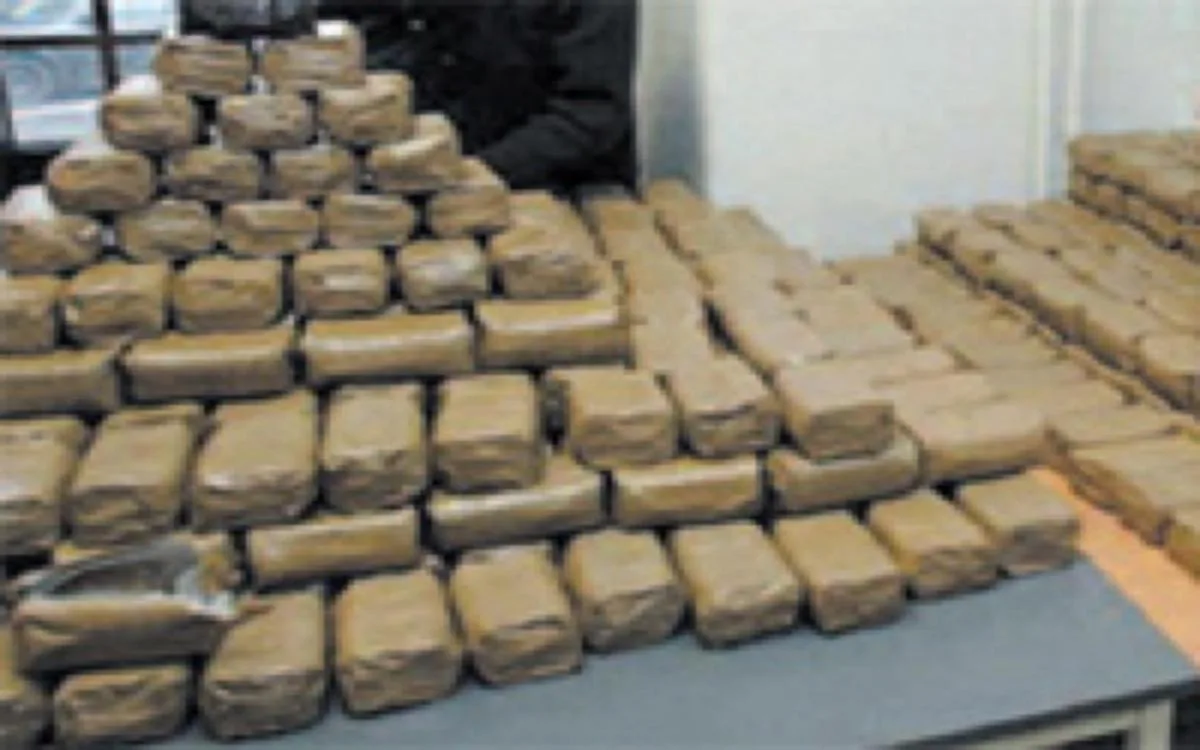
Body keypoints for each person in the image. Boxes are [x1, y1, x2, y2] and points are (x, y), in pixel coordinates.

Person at [321, 0, 639, 193]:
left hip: (557, 190)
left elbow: (593, 113)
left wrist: (474, 172)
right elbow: (351, 36)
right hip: (412, 186)